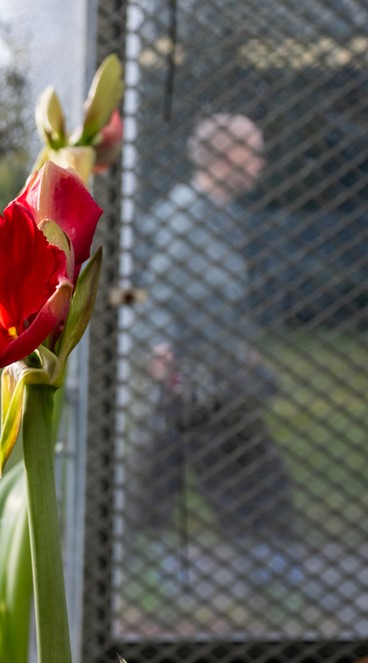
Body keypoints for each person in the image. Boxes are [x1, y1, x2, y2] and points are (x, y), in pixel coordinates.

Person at [128, 114, 301, 586]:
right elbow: (156, 290)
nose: (261, 161)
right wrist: (159, 346)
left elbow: (213, 297)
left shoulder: (219, 216)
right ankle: (263, 564)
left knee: (175, 466)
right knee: (225, 466)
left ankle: (261, 563)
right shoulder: (187, 217)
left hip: (217, 367)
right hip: (194, 373)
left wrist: (240, 349)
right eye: (252, 150)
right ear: (225, 155)